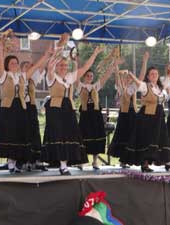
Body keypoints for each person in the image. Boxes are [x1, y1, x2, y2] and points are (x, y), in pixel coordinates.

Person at [42, 36, 104, 175]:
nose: (63, 67)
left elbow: (86, 67)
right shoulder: (51, 77)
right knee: (57, 134)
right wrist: (60, 46)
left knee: (69, 135)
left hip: (67, 107)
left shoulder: (69, 77)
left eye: (65, 65)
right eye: (61, 65)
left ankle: (64, 164)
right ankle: (60, 164)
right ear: (57, 67)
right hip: (55, 108)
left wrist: (95, 54)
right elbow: (50, 64)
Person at [0, 36, 50, 173]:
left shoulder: (22, 76)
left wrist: (46, 55)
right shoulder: (4, 75)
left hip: (21, 107)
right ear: (7, 65)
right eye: (12, 63)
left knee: (19, 134)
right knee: (9, 133)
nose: (15, 65)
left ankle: (17, 162)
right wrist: (1, 45)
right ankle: (10, 162)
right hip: (8, 108)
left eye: (16, 63)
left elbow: (36, 67)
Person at [128, 53, 170, 172]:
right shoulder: (145, 86)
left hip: (159, 115)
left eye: (156, 73)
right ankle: (145, 163)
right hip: (147, 116)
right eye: (152, 74)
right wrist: (133, 73)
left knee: (163, 138)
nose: (154, 75)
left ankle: (167, 161)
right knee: (147, 139)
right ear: (148, 76)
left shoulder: (161, 87)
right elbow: (138, 82)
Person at [77, 58, 120, 170]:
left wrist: (113, 65)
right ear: (84, 76)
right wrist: (76, 60)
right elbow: (77, 73)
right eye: (88, 76)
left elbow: (105, 76)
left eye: (91, 76)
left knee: (97, 136)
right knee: (84, 136)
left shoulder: (95, 86)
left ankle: (95, 162)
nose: (90, 78)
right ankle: (82, 161)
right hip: (86, 115)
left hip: (96, 115)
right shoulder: (80, 86)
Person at [109, 52, 149, 168]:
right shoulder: (121, 89)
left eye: (128, 77)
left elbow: (141, 78)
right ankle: (123, 160)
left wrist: (144, 61)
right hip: (124, 115)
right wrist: (116, 65)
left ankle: (130, 159)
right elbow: (117, 78)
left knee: (133, 136)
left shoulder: (132, 88)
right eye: (125, 77)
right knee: (123, 136)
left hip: (132, 114)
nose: (127, 79)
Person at [19, 49, 51, 171]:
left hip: (31, 107)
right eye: (26, 66)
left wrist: (47, 56)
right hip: (22, 108)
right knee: (24, 133)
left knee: (34, 132)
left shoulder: (33, 79)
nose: (29, 68)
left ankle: (35, 159)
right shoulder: (18, 78)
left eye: (29, 66)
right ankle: (23, 159)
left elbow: (42, 68)